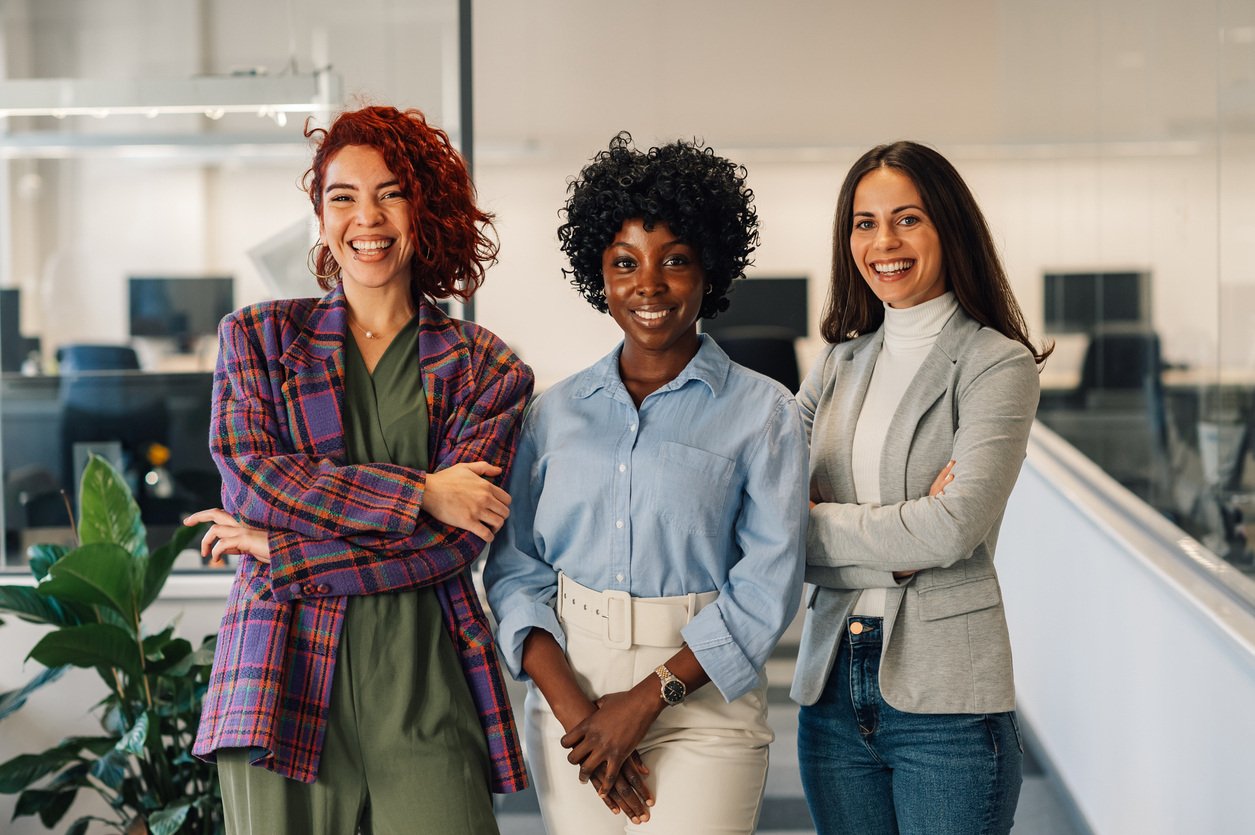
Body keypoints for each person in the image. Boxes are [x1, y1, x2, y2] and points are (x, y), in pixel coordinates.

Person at [185, 105, 533, 834]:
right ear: (319, 215)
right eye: (342, 196)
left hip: (426, 680)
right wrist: (422, 490)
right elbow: (250, 479)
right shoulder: (258, 337)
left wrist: (281, 548)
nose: (365, 217)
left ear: (422, 208)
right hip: (281, 678)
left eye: (390, 193)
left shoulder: (486, 366)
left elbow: (452, 544)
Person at [484, 132, 808, 834]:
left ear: (709, 271)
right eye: (624, 262)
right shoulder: (552, 414)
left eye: (676, 261)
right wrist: (581, 712)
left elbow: (766, 584)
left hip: (704, 696)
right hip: (574, 688)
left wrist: (648, 696)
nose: (649, 284)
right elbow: (515, 571)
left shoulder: (765, 413)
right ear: (597, 272)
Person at [792, 140, 1052, 835]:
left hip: (947, 699)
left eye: (906, 218)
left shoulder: (995, 364)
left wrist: (827, 520)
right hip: (830, 691)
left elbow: (951, 526)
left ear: (947, 225)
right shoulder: (836, 366)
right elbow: (766, 520)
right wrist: (899, 542)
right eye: (863, 222)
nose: (883, 241)